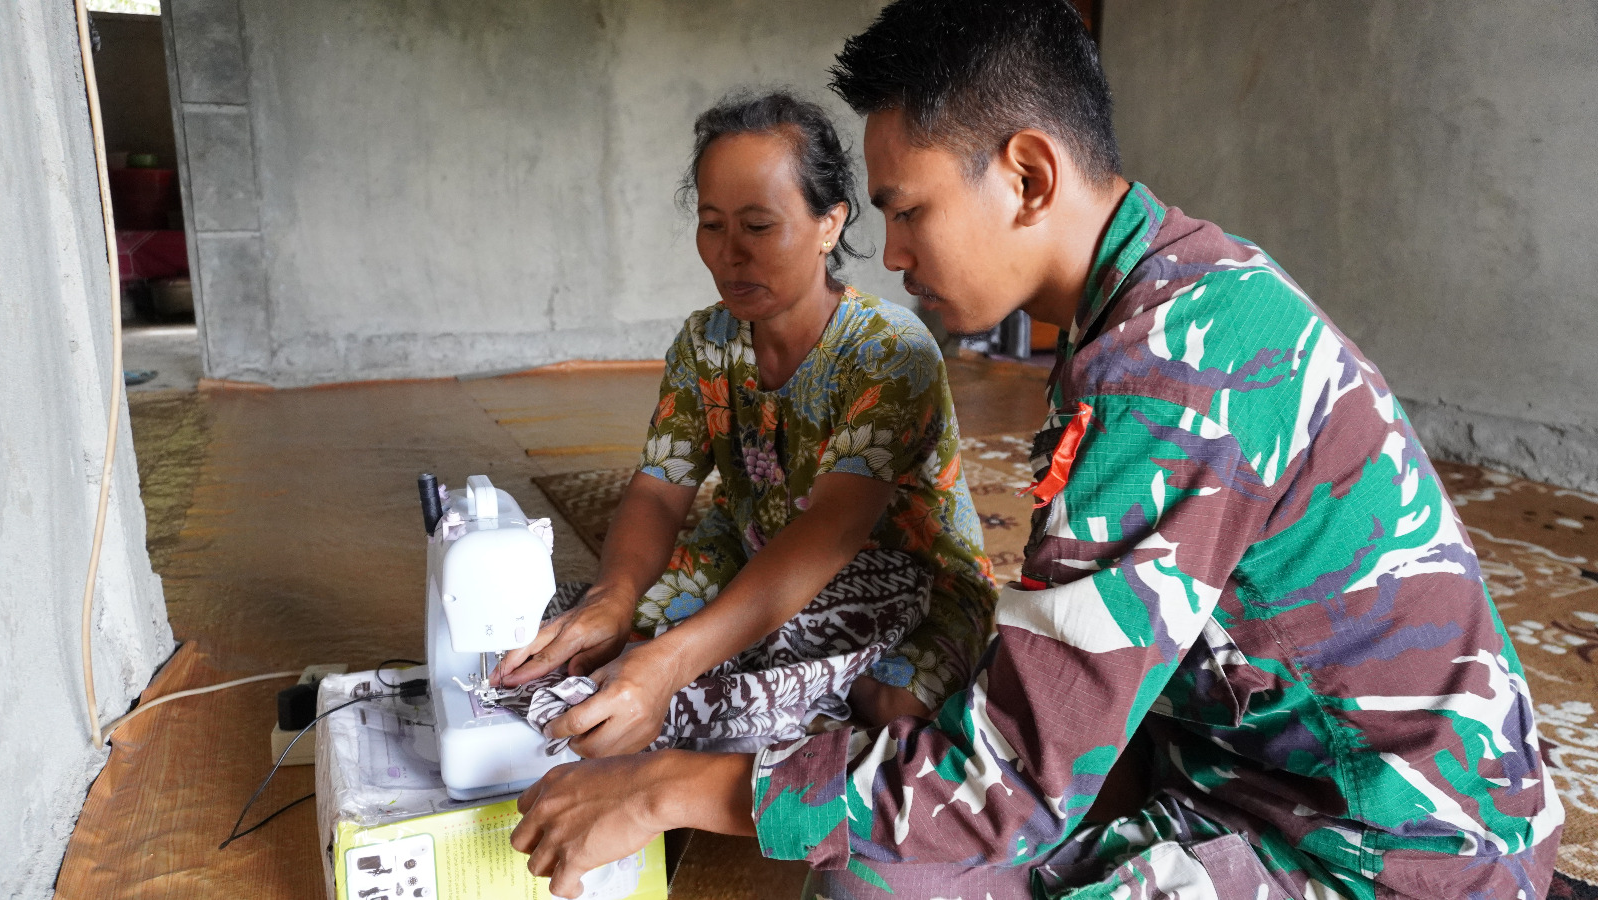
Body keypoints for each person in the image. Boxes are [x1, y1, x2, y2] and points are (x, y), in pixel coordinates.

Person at [509, 3, 1564, 898]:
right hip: (1238, 760)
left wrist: (669, 789)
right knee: (883, 832)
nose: (895, 252)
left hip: (1386, 850)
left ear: (1025, 175)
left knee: (878, 867)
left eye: (907, 211)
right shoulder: (1153, 298)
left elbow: (1007, 782)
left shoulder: (1172, 365)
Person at [492, 92, 996, 758]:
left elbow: (831, 530)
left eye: (758, 226)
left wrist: (674, 661)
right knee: (589, 643)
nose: (730, 254)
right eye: (712, 225)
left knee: (891, 709)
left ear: (828, 224)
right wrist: (615, 595)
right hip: (757, 551)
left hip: (911, 576)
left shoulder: (888, 351)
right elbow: (658, 490)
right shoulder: (706, 342)